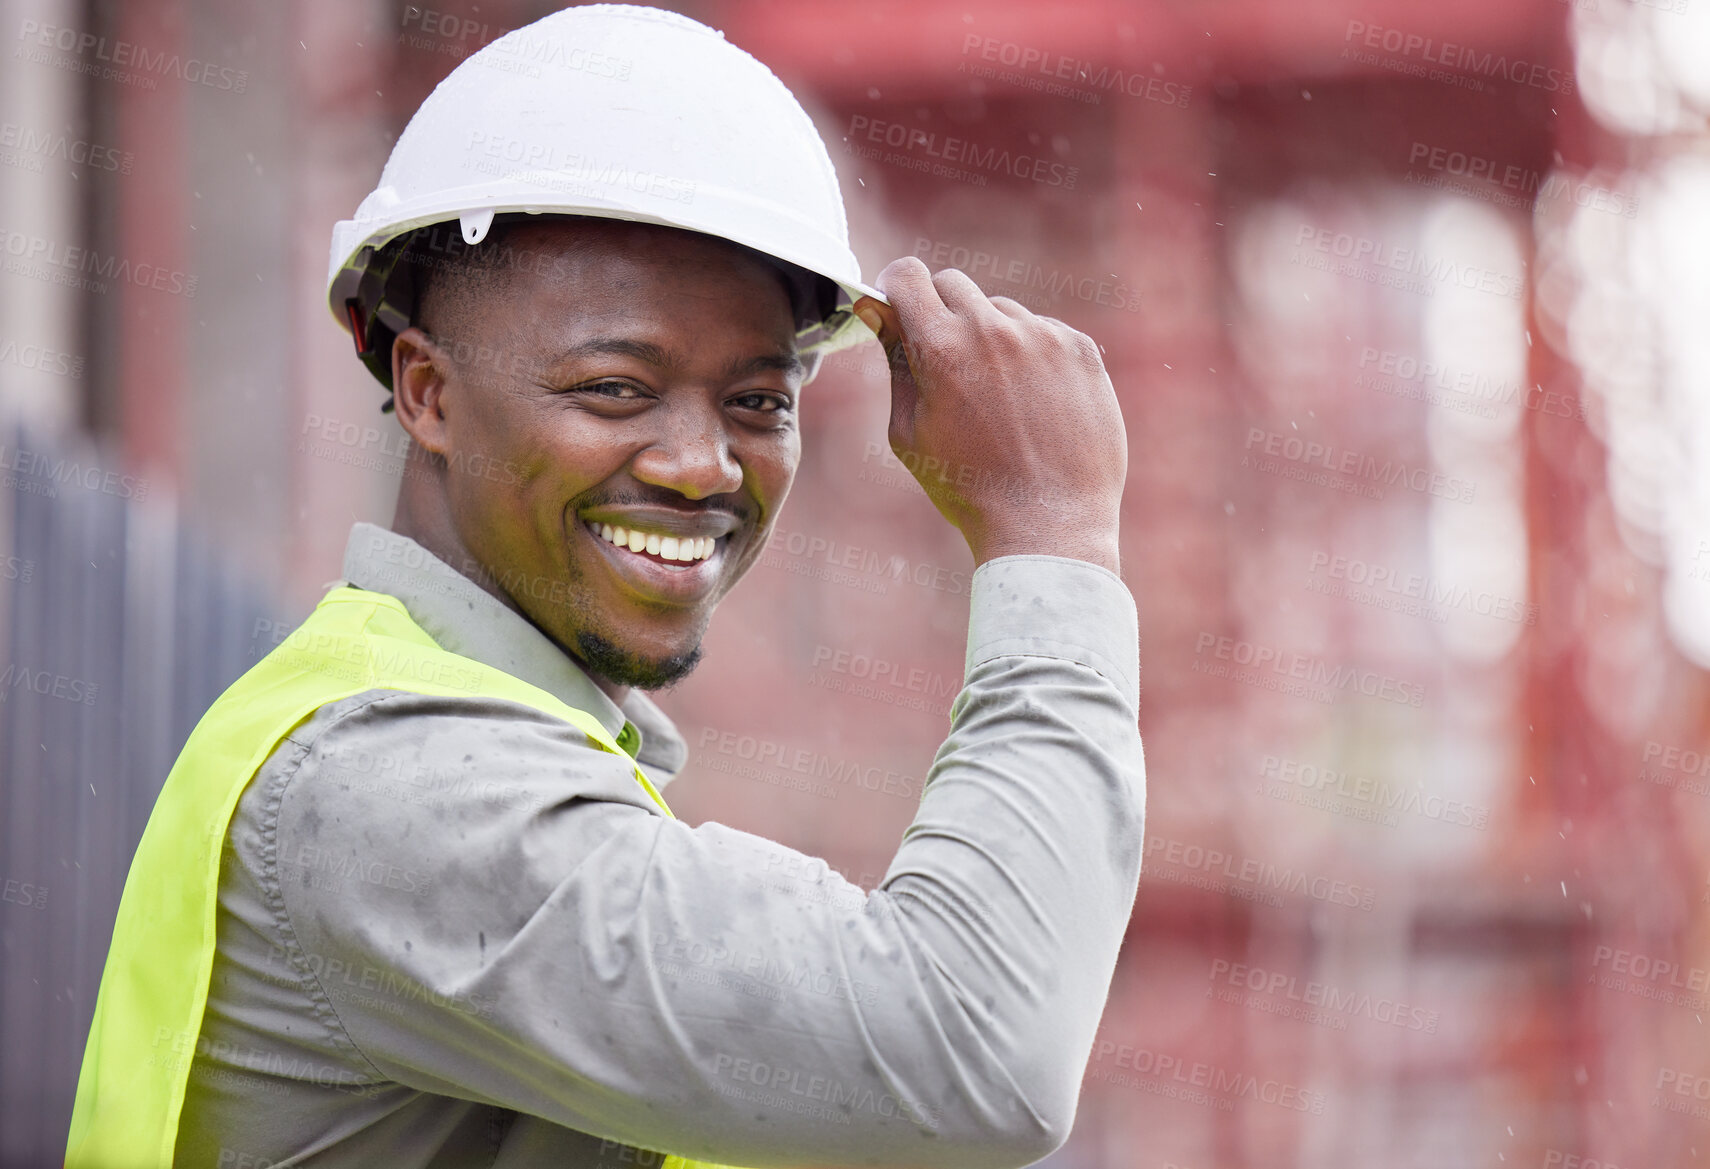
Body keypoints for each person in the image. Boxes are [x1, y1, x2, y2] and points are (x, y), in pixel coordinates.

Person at [66, 7, 1143, 1168]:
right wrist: (1051, 532)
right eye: (616, 389)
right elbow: (971, 1054)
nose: (702, 465)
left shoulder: (508, 755)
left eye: (758, 402)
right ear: (426, 392)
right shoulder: (401, 789)